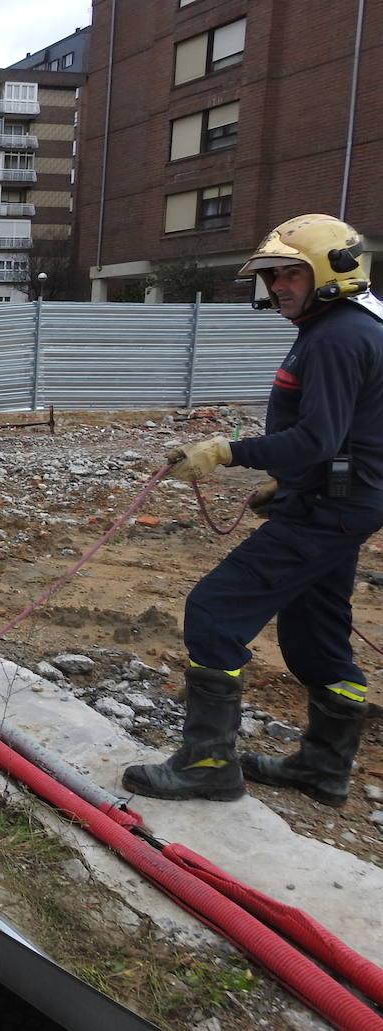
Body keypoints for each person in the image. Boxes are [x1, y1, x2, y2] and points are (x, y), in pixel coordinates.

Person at [123, 213, 383, 806]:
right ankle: (322, 768)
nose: (278, 287)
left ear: (332, 271)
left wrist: (227, 451)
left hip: (330, 509)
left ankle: (209, 764)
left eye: (292, 273)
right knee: (316, 637)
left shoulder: (339, 336)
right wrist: (290, 484)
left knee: (215, 611)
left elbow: (319, 438)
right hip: (335, 499)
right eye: (272, 277)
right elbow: (351, 434)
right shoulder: (343, 327)